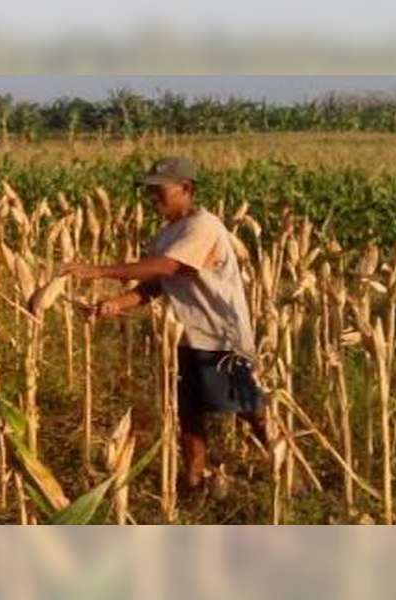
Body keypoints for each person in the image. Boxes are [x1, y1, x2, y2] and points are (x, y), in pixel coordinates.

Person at [61, 156, 271, 503]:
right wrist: (113, 305)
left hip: (221, 336)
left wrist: (98, 271)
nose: (152, 197)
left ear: (186, 189)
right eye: (149, 191)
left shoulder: (203, 226)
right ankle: (193, 483)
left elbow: (171, 267)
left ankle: (288, 469)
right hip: (187, 337)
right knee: (189, 414)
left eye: (159, 190)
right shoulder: (167, 234)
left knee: (249, 407)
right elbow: (154, 285)